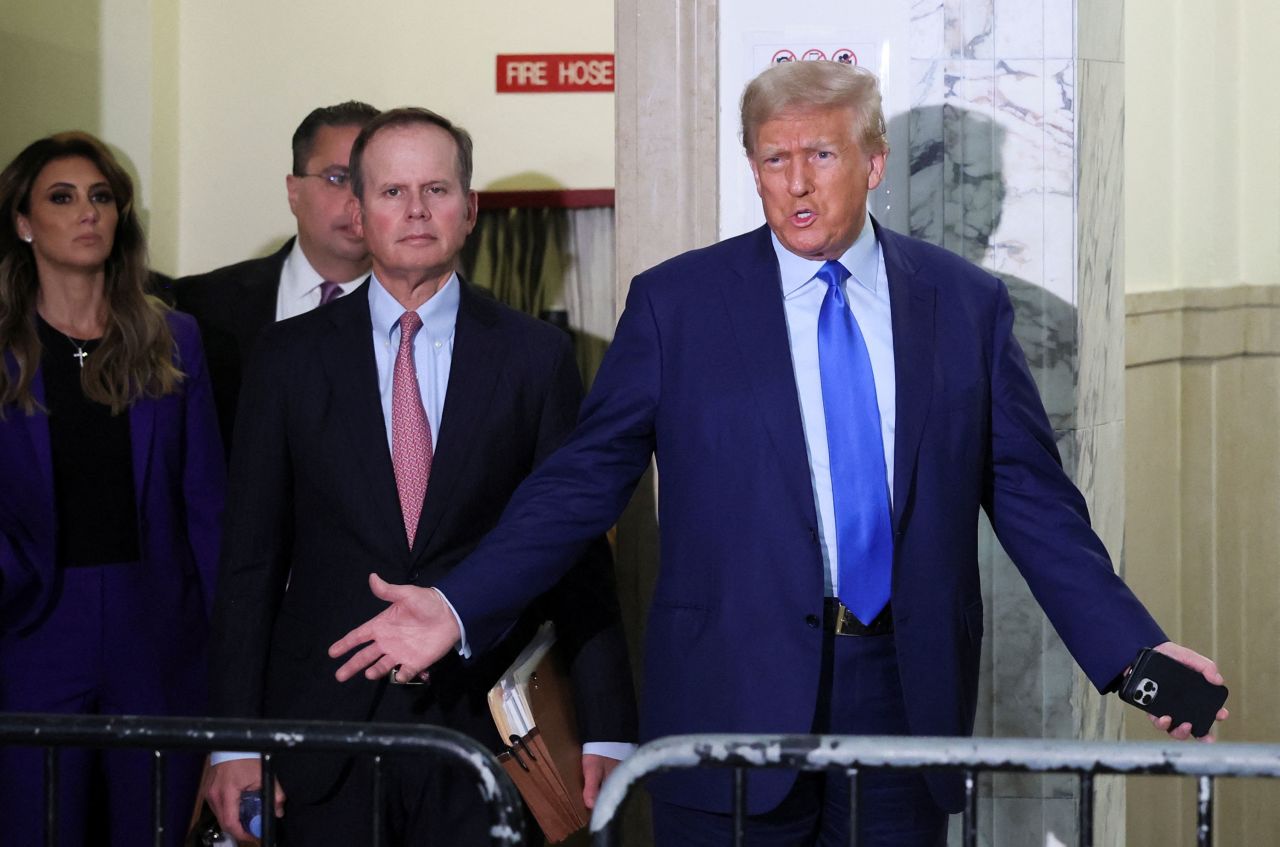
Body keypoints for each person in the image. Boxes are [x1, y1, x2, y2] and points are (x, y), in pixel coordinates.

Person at [329, 62, 1230, 845]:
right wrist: (458, 604)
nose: (796, 184)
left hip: (902, 704)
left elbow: (1035, 505)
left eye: (822, 156)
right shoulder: (676, 305)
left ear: (874, 163)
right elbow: (577, 483)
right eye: (773, 159)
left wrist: (1134, 653)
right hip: (726, 701)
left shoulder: (964, 307)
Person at [205, 107, 637, 845]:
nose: (414, 210)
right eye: (391, 191)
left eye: (435, 190)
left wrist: (608, 728)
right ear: (360, 209)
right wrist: (234, 739)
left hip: (487, 733)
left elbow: (576, 552)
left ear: (469, 210)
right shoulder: (284, 358)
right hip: (322, 731)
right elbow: (250, 561)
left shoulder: (535, 357)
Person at [0, 131, 225, 846]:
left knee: (155, 828)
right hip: (30, 624)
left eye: (101, 196)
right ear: (24, 222)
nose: (87, 212)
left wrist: (229, 649)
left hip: (154, 623)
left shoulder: (174, 338)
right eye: (62, 198)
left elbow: (206, 506)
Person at [170, 100, 379, 448]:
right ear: (293, 192)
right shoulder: (202, 306)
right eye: (337, 178)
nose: (357, 199)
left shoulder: (428, 315)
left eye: (373, 181)